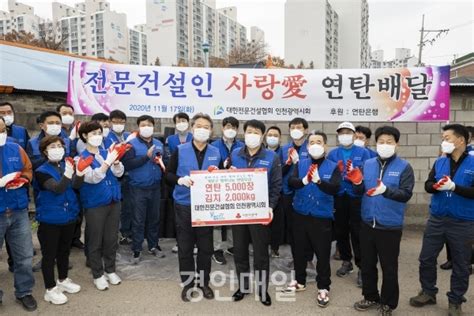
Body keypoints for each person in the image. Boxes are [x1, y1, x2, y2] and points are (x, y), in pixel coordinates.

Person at [409, 124, 474, 316]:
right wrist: (437, 186)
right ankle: (428, 292)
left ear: (461, 140)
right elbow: (428, 185)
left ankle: (456, 300)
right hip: (437, 218)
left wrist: (454, 187)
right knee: (426, 258)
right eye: (442, 138)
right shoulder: (440, 162)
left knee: (461, 264)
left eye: (447, 138)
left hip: (462, 221)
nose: (443, 142)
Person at [352, 126, 415, 316]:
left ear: (396, 144)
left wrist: (386, 191)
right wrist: (356, 183)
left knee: (389, 267)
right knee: (367, 264)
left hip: (389, 226)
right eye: (381, 142)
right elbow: (359, 192)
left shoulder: (404, 167)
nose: (385, 145)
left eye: (389, 142)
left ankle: (388, 303)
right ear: (376, 143)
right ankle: (371, 296)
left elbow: (405, 194)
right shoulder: (368, 163)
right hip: (367, 223)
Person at [165, 113, 221, 302]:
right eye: (199, 126)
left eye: (206, 127)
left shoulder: (216, 152)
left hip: (206, 207)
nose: (202, 129)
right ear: (192, 128)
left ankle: (204, 283)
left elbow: (221, 178)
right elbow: (168, 175)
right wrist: (179, 180)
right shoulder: (180, 150)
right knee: (185, 248)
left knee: (206, 248)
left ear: (211, 130)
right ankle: (188, 284)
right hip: (184, 205)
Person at [285, 131, 341, 308]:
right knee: (299, 250)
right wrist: (303, 181)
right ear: (307, 146)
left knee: (322, 253)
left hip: (321, 216)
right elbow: (291, 182)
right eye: (312, 142)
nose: (315, 145)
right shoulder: (300, 163)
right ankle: (299, 281)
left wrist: (318, 182)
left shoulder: (333, 166)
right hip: (300, 213)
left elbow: (334, 188)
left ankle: (323, 286)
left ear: (325, 146)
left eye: (319, 142)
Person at [230, 119, 282, 307]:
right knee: (240, 251)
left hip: (260, 212)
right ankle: (243, 287)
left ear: (262, 135)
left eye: (256, 132)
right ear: (244, 134)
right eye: (249, 131)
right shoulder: (235, 154)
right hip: (238, 212)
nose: (252, 135)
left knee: (261, 253)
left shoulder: (271, 157)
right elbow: (227, 178)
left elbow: (276, 185)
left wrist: (271, 206)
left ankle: (262, 289)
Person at [35, 136, 91, 305]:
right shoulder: (41, 171)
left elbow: (75, 186)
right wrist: (69, 172)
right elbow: (58, 188)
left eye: (60, 145)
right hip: (50, 219)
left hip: (68, 216)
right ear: (45, 151)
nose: (57, 148)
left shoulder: (64, 166)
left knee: (64, 251)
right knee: (49, 255)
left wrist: (79, 172)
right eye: (53, 146)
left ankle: (63, 279)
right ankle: (50, 289)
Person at [76, 121, 124, 291]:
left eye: (99, 132)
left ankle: (110, 270)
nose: (97, 136)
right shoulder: (80, 158)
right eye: (92, 133)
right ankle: (98, 274)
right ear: (84, 136)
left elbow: (119, 174)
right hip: (95, 204)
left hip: (114, 201)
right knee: (95, 240)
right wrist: (106, 163)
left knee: (111, 239)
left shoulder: (106, 152)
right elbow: (93, 178)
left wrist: (116, 162)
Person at [0, 116, 37, 311]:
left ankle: (24, 291)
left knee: (23, 255)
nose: (1, 135)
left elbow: (28, 169)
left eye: (2, 130)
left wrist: (23, 178)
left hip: (18, 210)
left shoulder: (16, 149)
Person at [327, 121, 370, 287]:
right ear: (338, 136)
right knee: (341, 230)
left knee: (358, 232)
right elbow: (328, 175)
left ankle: (361, 266)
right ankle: (346, 261)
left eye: (348, 132)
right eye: (341, 133)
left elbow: (368, 173)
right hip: (339, 196)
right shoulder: (333, 154)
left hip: (356, 196)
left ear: (353, 134)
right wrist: (336, 173)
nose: (345, 135)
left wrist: (358, 176)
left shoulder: (363, 152)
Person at [122, 115, 166, 263]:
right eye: (143, 125)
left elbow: (164, 161)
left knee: (154, 219)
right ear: (138, 127)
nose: (146, 127)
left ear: (153, 127)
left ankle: (153, 245)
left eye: (149, 125)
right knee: (138, 220)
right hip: (138, 188)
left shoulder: (159, 143)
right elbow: (127, 165)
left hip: (155, 187)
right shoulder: (131, 144)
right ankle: (137, 249)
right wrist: (146, 157)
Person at [210, 116, 244, 265]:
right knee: (217, 219)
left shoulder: (242, 146)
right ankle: (216, 249)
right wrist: (221, 167)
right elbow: (209, 166)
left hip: (234, 188)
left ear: (237, 130)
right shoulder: (213, 145)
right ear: (222, 128)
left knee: (233, 217)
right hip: (217, 187)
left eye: (234, 127)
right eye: (228, 126)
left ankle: (231, 245)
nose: (230, 130)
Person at [280, 118, 310, 261]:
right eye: (293, 127)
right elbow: (279, 172)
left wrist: (299, 162)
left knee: (306, 225)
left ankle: (308, 257)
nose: (296, 130)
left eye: (299, 127)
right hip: (288, 191)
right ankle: (295, 255)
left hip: (305, 191)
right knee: (292, 225)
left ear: (305, 130)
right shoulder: (284, 148)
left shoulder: (312, 146)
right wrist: (287, 164)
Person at [165, 112, 193, 254]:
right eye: (178, 121)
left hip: (194, 180)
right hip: (176, 179)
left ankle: (194, 243)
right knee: (179, 215)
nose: (181, 123)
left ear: (188, 122)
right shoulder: (170, 139)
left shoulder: (194, 138)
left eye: (183, 120)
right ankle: (179, 242)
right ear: (175, 124)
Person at [106, 110, 133, 245]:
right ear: (110, 122)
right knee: (114, 207)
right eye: (115, 122)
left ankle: (125, 233)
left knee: (127, 207)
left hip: (128, 176)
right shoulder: (106, 137)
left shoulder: (129, 136)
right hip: (113, 177)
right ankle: (113, 236)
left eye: (122, 122)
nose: (119, 125)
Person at [265, 126, 283, 258]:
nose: (272, 137)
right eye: (270, 134)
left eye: (275, 135)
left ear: (280, 138)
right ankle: (261, 246)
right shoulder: (261, 152)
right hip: (260, 193)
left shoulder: (284, 152)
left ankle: (275, 247)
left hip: (277, 192)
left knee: (276, 223)